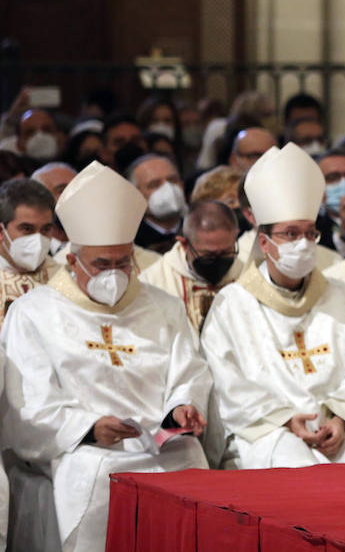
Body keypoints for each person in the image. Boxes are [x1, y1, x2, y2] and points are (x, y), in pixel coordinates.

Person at [0, 162, 211, 552]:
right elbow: (29, 405)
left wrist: (183, 406)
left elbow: (189, 371)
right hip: (85, 451)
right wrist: (90, 427)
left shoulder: (162, 306)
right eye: (101, 264)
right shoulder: (33, 312)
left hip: (161, 447)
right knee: (94, 476)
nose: (114, 274)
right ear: (71, 259)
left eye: (123, 263)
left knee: (192, 460)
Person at [200, 143, 345, 468]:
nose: (303, 244)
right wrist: (287, 421)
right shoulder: (233, 304)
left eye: (309, 233)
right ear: (264, 242)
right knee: (290, 461)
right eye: (290, 234)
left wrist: (341, 417)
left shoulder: (339, 295)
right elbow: (227, 382)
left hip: (338, 423)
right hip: (270, 429)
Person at [141, 200, 243, 333]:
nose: (218, 260)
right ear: (184, 245)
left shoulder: (247, 274)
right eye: (209, 255)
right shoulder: (154, 282)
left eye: (226, 252)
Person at [0, 179, 60, 328]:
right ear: (1, 232)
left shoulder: (63, 278)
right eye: (27, 229)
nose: (38, 239)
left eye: (46, 229)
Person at [127, 154, 187, 254]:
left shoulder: (200, 230)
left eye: (173, 180)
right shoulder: (130, 241)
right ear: (135, 195)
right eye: (154, 184)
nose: (168, 189)